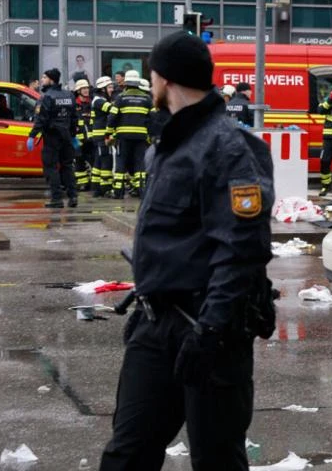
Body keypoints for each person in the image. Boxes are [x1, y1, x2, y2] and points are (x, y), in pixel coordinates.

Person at [100, 30, 273, 471]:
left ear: (164, 78)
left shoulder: (228, 147)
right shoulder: (168, 146)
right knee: (127, 453)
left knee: (216, 459)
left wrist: (211, 332)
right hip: (156, 324)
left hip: (208, 332)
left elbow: (242, 249)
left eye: (151, 74)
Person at [26, 68, 78, 208]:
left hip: (52, 136)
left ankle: (56, 199)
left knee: (51, 167)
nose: (42, 79)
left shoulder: (46, 97)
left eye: (44, 77)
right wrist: (73, 136)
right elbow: (74, 118)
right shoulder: (69, 95)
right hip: (66, 136)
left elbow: (40, 119)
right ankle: (73, 197)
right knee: (67, 166)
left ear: (51, 79)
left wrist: (32, 136)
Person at [106, 70, 151, 198]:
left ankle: (118, 192)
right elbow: (153, 117)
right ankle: (141, 190)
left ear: (126, 83)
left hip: (123, 137)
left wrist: (108, 134)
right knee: (139, 163)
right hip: (141, 137)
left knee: (121, 162)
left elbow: (112, 117)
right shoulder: (147, 98)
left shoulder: (121, 98)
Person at [89, 76, 115, 197]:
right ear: (103, 89)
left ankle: (97, 188)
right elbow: (112, 110)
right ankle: (105, 187)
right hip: (102, 136)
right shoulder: (99, 101)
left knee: (98, 161)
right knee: (106, 160)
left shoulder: (100, 99)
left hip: (100, 136)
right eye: (109, 87)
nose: (112, 89)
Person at [73, 79, 94, 192]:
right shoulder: (74, 104)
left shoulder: (92, 103)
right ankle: (82, 184)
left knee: (93, 161)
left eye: (87, 88)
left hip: (91, 140)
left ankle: (92, 183)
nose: (86, 90)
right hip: (77, 140)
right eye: (83, 89)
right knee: (79, 161)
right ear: (78, 91)